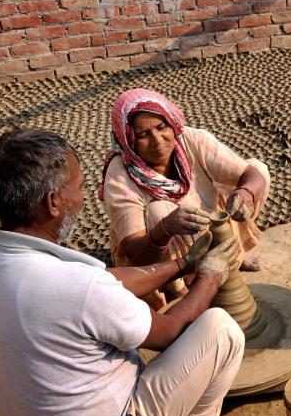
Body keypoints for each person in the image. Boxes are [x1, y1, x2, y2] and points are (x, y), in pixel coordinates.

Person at [0, 128, 244, 416]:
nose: (83, 199)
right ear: (52, 203)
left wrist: (183, 265)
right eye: (78, 188)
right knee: (221, 328)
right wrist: (210, 276)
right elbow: (169, 332)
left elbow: (104, 280)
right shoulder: (78, 289)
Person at [100, 88, 270, 309]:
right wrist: (165, 229)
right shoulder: (120, 176)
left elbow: (251, 175)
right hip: (157, 256)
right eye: (143, 135)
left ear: (172, 124)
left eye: (162, 127)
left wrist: (246, 193)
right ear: (128, 140)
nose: (157, 140)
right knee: (159, 210)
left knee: (259, 171)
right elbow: (137, 255)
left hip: (203, 226)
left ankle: (232, 259)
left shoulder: (192, 140)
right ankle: (185, 289)